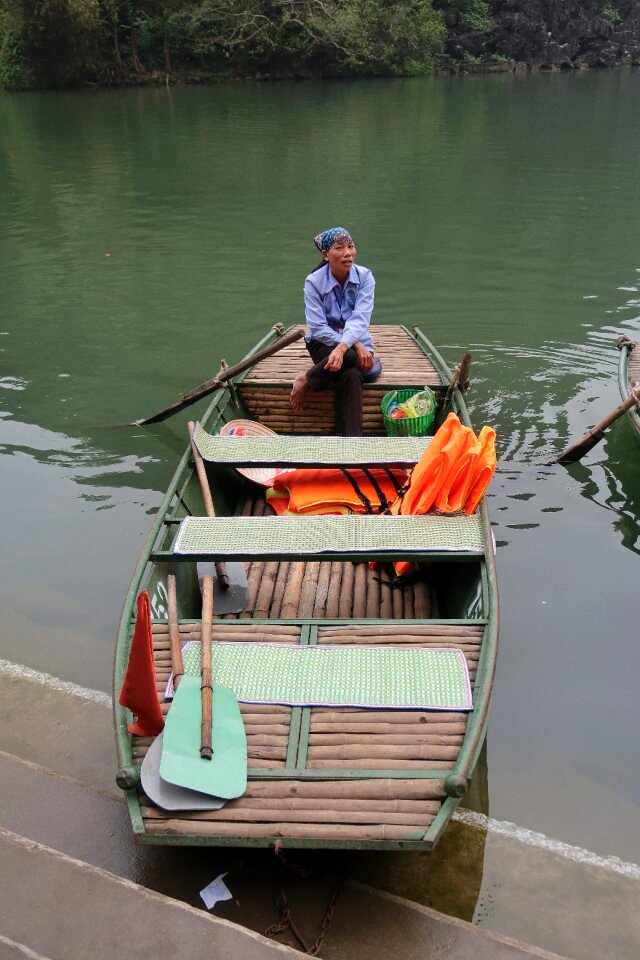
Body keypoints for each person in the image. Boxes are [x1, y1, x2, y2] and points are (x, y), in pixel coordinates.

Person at [289, 227, 381, 436]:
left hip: (353, 342)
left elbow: (360, 319)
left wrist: (346, 345)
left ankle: (352, 445)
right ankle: (306, 378)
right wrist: (351, 345)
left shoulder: (365, 277)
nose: (348, 253)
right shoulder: (314, 282)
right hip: (322, 343)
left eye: (351, 246)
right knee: (350, 355)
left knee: (351, 373)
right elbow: (318, 328)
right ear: (325, 255)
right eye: (339, 248)